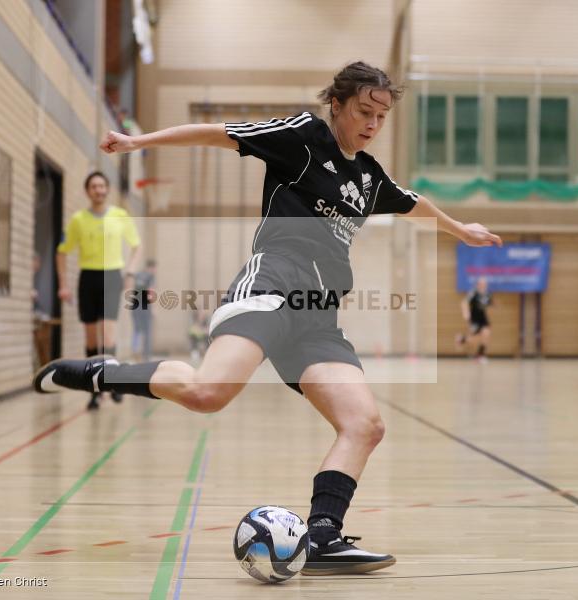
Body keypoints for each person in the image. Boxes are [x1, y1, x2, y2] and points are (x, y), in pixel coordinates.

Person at [35, 61, 501, 574]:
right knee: (208, 393)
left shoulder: (368, 177)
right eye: (364, 111)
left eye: (382, 116)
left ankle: (323, 536)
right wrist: (137, 143)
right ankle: (102, 372)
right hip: (272, 285)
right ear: (338, 105)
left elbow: (412, 202)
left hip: (318, 318)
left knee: (364, 425)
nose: (372, 123)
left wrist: (460, 230)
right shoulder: (302, 137)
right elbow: (219, 133)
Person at [56, 171, 141, 409]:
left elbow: (136, 246)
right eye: (94, 186)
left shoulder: (120, 215)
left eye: (102, 186)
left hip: (112, 276)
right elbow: (62, 252)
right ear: (88, 191)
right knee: (91, 337)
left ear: (107, 189)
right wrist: (63, 284)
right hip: (88, 278)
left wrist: (131, 272)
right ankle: (93, 389)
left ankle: (112, 383)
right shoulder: (78, 220)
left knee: (108, 334)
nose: (99, 190)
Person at [455, 277, 492, 363]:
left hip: (483, 318)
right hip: (474, 319)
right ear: (478, 284)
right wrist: (466, 313)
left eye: (485, 284)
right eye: (481, 284)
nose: (483, 285)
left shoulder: (487, 294)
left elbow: (488, 304)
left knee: (486, 334)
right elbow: (464, 302)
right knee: (473, 339)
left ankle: (480, 356)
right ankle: (462, 339)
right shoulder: (473, 293)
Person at [130, 259, 156, 361]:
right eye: (154, 269)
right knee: (147, 331)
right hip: (145, 306)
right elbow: (151, 292)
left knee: (136, 330)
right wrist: (153, 309)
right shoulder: (150, 277)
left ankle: (135, 351)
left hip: (135, 305)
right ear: (151, 267)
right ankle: (146, 355)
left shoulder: (137, 275)